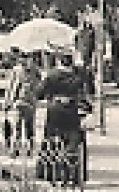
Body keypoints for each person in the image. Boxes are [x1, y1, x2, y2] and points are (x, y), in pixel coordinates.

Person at [34, 54, 91, 183]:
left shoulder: (52, 75)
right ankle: (73, 174)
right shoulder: (79, 76)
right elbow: (86, 94)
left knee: (52, 142)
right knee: (73, 143)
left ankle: (52, 173)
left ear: (59, 60)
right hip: (73, 111)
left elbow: (39, 94)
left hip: (55, 111)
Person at [5, 53, 38, 155]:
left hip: (20, 102)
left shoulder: (17, 70)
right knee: (28, 127)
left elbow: (12, 86)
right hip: (28, 102)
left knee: (18, 127)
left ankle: (15, 150)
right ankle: (28, 149)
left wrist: (9, 101)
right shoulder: (35, 70)